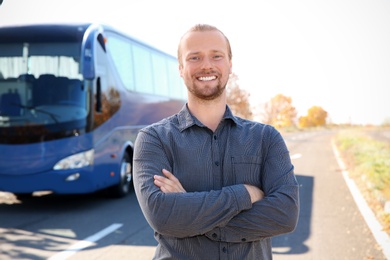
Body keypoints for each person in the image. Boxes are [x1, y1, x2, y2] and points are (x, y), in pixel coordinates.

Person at [133, 24, 299, 260]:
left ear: (230, 64)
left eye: (216, 56)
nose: (206, 65)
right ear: (181, 68)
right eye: (194, 57)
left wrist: (189, 216)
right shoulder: (154, 139)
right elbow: (162, 216)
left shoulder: (266, 138)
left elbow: (285, 215)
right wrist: (244, 194)